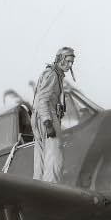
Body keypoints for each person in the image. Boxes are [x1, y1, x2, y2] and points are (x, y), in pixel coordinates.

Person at [32, 46, 75, 182]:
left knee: (40, 162)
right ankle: (50, 192)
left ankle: (38, 191)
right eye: (67, 61)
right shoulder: (53, 75)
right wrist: (48, 123)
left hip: (39, 117)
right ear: (60, 59)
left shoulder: (50, 73)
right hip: (47, 117)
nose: (70, 65)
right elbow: (43, 99)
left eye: (72, 62)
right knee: (54, 162)